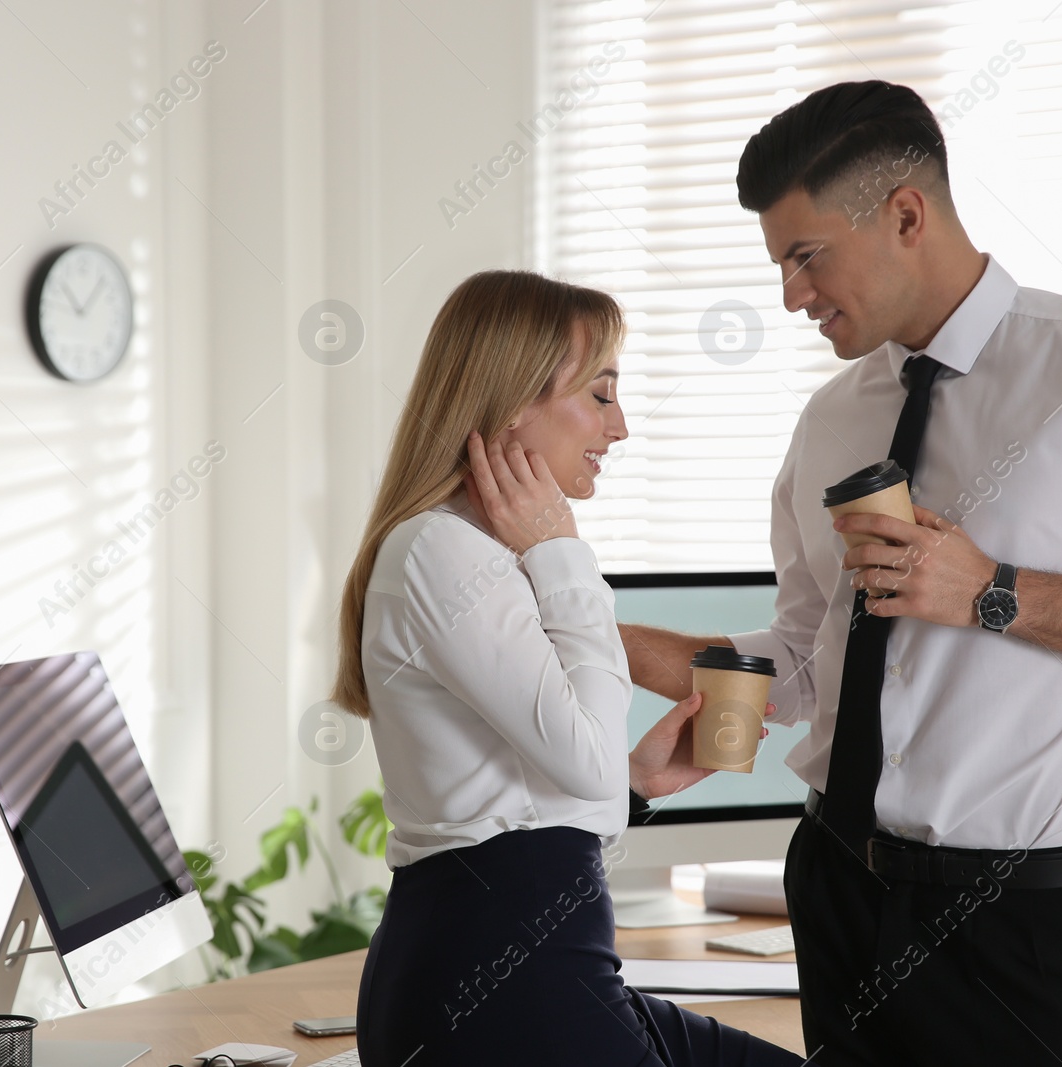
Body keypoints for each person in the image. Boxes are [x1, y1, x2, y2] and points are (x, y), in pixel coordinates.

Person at [619, 81, 1062, 1066]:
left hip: (1019, 920)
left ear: (904, 216)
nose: (790, 296)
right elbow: (808, 663)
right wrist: (591, 631)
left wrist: (989, 589)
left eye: (807, 258)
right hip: (839, 887)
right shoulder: (831, 418)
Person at [334, 269, 807, 1066]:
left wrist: (633, 782)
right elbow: (577, 774)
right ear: (513, 399)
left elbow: (544, 788)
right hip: (498, 980)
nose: (619, 426)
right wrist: (563, 552)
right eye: (600, 393)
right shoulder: (442, 551)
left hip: (540, 962)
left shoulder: (478, 553)